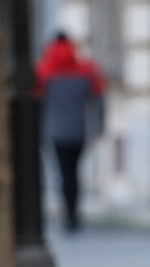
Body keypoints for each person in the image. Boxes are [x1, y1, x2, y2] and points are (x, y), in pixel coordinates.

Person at [35, 33, 105, 234]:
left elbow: (37, 102)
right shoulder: (86, 69)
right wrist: (99, 126)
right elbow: (98, 100)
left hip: (55, 130)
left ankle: (68, 215)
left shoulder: (44, 70)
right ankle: (74, 214)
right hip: (78, 130)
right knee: (74, 172)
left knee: (64, 172)